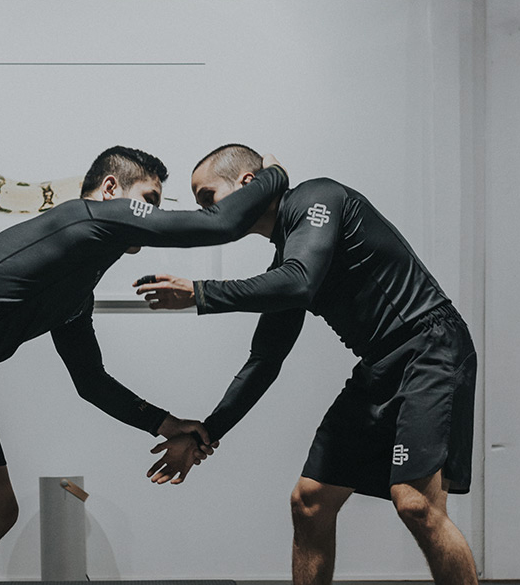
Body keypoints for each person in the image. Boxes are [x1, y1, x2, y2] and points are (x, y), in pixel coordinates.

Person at [0, 145, 290, 585]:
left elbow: (90, 381)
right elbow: (220, 223)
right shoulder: (88, 217)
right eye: (148, 200)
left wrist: (165, 423)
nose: (151, 216)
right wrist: (273, 176)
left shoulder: (76, 288)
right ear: (111, 188)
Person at [135, 144, 478, 585]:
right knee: (309, 502)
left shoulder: (317, 198)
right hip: (379, 364)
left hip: (429, 346)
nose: (207, 213)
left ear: (246, 184)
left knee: (416, 503)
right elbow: (264, 360)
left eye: (208, 198)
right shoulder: (288, 257)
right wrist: (207, 433)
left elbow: (300, 283)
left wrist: (200, 293)